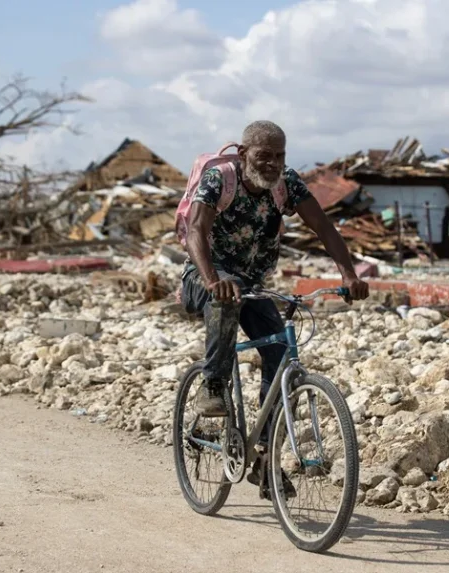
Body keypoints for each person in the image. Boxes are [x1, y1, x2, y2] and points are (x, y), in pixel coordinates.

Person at [180, 120, 369, 493]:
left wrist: (349, 275)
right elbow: (195, 231)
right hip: (203, 276)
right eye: (264, 156)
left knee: (280, 352)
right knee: (225, 301)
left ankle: (266, 457)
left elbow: (324, 228)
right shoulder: (221, 179)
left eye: (279, 156)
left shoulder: (287, 184)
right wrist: (211, 280)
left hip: (250, 284)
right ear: (244, 153)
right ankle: (214, 384)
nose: (272, 164)